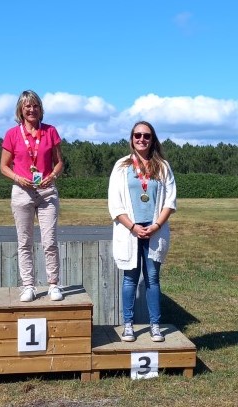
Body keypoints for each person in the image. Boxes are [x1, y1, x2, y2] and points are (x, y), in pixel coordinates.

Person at [108, 121, 177, 342]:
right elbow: (115, 204)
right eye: (137, 135)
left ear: (152, 139)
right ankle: (128, 325)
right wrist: (132, 226)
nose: (141, 139)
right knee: (130, 278)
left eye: (146, 136)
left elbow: (170, 202)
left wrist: (156, 226)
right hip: (130, 230)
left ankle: (155, 326)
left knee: (153, 278)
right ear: (132, 138)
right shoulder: (121, 166)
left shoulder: (163, 167)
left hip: (154, 230)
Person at [0, 90, 64, 302]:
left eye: (35, 105)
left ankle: (53, 284)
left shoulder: (50, 131)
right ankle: (28, 285)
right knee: (24, 242)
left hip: (47, 192)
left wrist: (52, 176)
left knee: (50, 241)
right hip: (22, 191)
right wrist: (18, 178)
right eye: (27, 106)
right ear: (21, 109)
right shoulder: (12, 134)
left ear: (40, 109)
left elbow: (59, 163)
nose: (31, 109)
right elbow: (3, 166)